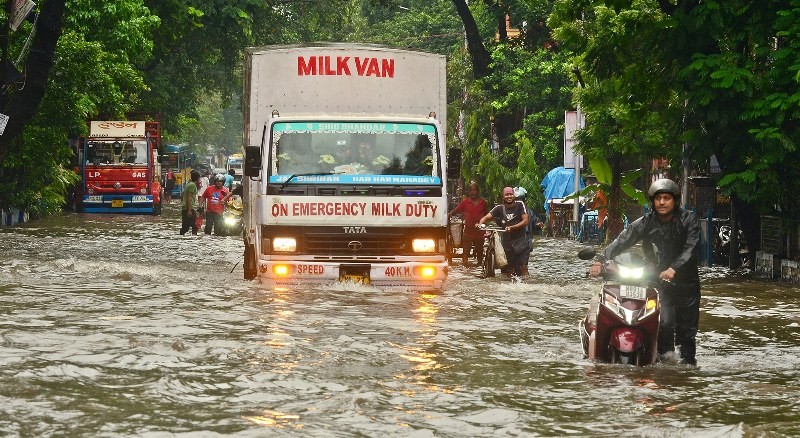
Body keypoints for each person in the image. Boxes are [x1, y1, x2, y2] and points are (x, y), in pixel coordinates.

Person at [588, 178, 701, 365]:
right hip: (658, 283)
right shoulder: (646, 222)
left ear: (675, 200)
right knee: (663, 324)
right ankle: (662, 363)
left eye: (667, 198)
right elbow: (622, 241)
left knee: (687, 333)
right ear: (652, 201)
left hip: (686, 284)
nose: (662, 202)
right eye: (658, 198)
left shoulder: (689, 219)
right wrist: (600, 260)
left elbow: (691, 248)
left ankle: (686, 371)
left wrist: (674, 268)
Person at [477, 186, 529, 277]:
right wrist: (479, 224)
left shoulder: (520, 204)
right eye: (506, 195)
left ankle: (527, 286)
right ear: (503, 197)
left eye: (510, 194)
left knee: (523, 267)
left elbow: (525, 221)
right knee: (510, 269)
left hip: (521, 242)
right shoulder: (499, 208)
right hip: (507, 244)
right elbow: (486, 217)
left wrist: (512, 227)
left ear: (514, 195)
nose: (509, 196)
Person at [448, 181, 489, 266]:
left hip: (480, 230)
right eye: (470, 190)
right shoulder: (465, 202)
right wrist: (448, 215)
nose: (472, 192)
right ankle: (465, 265)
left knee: (479, 250)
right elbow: (456, 210)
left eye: (474, 190)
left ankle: (480, 265)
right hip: (468, 230)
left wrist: (485, 225)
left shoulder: (483, 202)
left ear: (478, 191)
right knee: (466, 250)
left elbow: (487, 215)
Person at [514, 186, 543, 277]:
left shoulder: (529, 212)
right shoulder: (507, 211)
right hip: (511, 243)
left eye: (520, 200)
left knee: (523, 266)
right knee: (511, 267)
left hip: (525, 243)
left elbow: (535, 222)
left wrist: (538, 224)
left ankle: (525, 283)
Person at [180, 170, 201, 235]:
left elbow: (182, 195)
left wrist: (183, 203)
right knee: (195, 225)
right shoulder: (193, 185)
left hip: (185, 207)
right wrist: (189, 209)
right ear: (197, 179)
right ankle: (194, 238)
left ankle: (181, 237)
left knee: (185, 226)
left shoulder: (189, 184)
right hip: (189, 208)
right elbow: (189, 197)